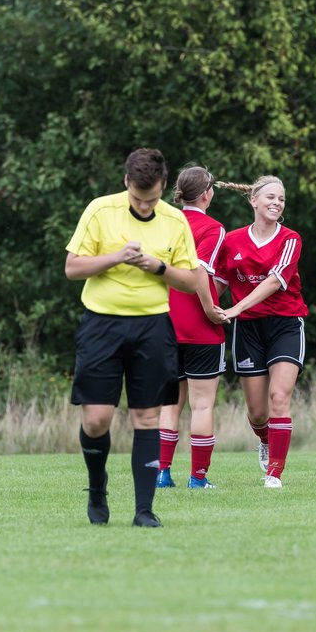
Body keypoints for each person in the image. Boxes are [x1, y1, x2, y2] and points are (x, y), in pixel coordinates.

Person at [65, 148, 202, 527]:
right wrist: (115, 257)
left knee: (147, 416)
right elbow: (72, 268)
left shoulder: (176, 222)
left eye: (153, 199)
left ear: (163, 188)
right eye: (139, 199)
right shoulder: (100, 210)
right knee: (96, 420)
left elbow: (192, 282)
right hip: (101, 324)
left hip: (153, 327)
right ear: (126, 182)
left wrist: (158, 267)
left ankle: (144, 510)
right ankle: (97, 487)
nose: (145, 207)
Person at [214, 175, 308, 488]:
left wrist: (235, 308)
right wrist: (198, 301)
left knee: (279, 397)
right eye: (270, 197)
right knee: (257, 414)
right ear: (253, 201)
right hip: (248, 330)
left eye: (281, 199)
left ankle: (274, 474)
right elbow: (220, 284)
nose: (276, 203)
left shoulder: (290, 239)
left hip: (285, 325)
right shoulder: (231, 240)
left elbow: (273, 281)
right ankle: (266, 440)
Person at [156, 164, 229, 490]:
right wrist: (210, 309)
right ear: (206, 194)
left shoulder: (164, 222)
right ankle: (198, 478)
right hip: (199, 328)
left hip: (165, 323)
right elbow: (200, 272)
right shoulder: (213, 228)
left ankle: (162, 473)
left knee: (170, 403)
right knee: (202, 404)